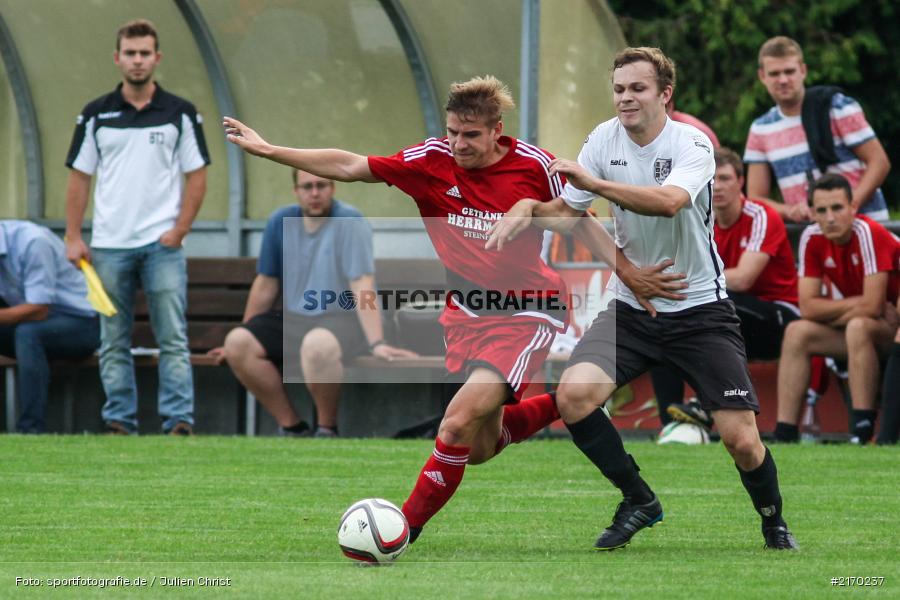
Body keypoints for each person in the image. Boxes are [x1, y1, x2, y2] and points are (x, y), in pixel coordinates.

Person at [224, 76, 580, 545]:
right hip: (467, 315)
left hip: (527, 311)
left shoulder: (534, 164)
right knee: (477, 447)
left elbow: (576, 219)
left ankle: (398, 532)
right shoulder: (431, 160)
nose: (458, 143)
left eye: (471, 134)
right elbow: (350, 164)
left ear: (497, 130)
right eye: (452, 132)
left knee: (455, 424)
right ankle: (567, 400)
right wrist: (270, 150)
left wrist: (532, 208)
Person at [488, 46, 798, 550]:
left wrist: (595, 184)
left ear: (664, 94)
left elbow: (670, 202)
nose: (625, 98)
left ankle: (773, 522)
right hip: (633, 309)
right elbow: (569, 213)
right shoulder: (602, 140)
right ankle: (638, 499)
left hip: (700, 310)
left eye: (637, 88)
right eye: (618, 89)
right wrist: (529, 207)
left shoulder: (691, 143)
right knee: (574, 396)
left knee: (741, 440)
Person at [64, 19, 210, 435]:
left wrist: (179, 231)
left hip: (163, 245)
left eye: (145, 53)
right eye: (130, 53)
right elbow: (79, 178)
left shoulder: (180, 112)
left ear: (157, 58)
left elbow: (197, 175)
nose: (138, 60)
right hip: (109, 244)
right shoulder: (96, 113)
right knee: (113, 338)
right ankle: (119, 421)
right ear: (117, 58)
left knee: (173, 336)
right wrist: (73, 236)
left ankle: (178, 421)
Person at [209, 169, 414, 437]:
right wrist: (243, 334)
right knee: (237, 342)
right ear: (296, 191)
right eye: (307, 187)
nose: (314, 193)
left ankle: (326, 430)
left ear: (333, 188)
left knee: (317, 345)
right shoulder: (280, 221)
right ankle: (292, 428)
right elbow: (266, 283)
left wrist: (377, 343)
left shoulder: (349, 220)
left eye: (321, 185)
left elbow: (361, 282)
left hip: (345, 316)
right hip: (295, 319)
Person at [656, 147, 800, 430]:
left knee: (716, 301)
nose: (718, 187)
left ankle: (703, 403)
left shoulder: (761, 215)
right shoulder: (700, 217)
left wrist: (689, 280)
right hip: (731, 316)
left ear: (741, 182)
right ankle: (669, 426)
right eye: (711, 180)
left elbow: (744, 279)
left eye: (724, 178)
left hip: (779, 318)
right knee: (663, 318)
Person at [776, 173, 899, 444]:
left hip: (892, 327)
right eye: (821, 210)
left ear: (853, 208)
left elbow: (873, 305)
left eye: (837, 208)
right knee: (797, 332)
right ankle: (784, 433)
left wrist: (845, 308)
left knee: (858, 327)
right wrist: (858, 305)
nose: (830, 217)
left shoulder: (867, 232)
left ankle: (862, 429)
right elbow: (808, 308)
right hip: (869, 324)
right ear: (812, 213)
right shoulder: (811, 237)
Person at [744, 36, 891, 223]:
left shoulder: (836, 107)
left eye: (789, 71)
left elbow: (879, 162)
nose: (783, 80)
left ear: (803, 70)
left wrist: (848, 206)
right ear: (762, 76)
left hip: (865, 224)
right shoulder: (760, 129)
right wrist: (790, 211)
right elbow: (755, 197)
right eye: (774, 74)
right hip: (813, 232)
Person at [0, 221, 100, 433]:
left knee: (28, 334)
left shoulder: (33, 242)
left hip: (82, 324)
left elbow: (39, 310)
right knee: (27, 333)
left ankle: (30, 429)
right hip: (32, 325)